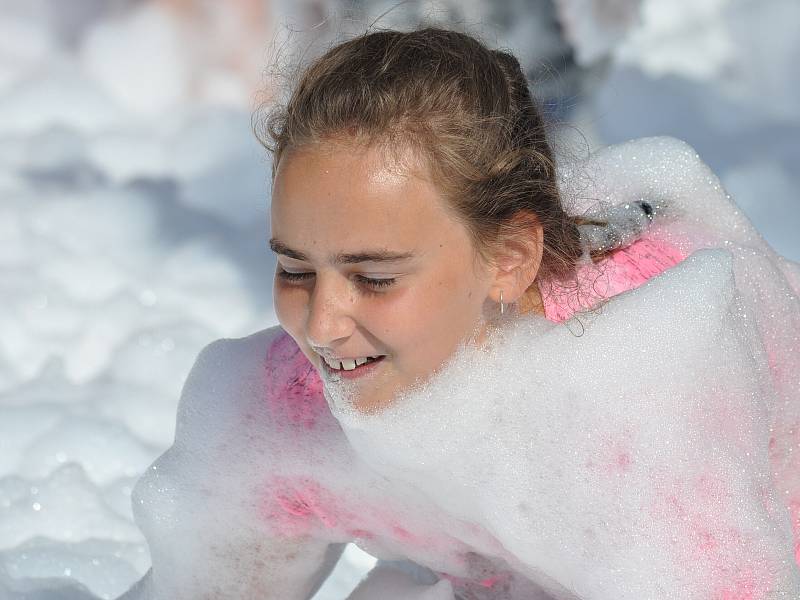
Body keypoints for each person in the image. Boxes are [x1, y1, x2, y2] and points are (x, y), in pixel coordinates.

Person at [120, 28, 800, 600]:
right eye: (295, 269)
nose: (322, 326)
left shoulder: (642, 391)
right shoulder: (282, 406)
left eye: (374, 276)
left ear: (507, 260)